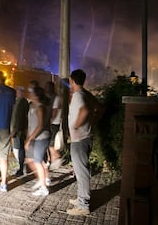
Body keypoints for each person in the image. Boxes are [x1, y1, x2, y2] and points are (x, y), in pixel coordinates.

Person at [66, 69, 101, 216]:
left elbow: (86, 110)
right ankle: (81, 198)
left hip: (79, 139)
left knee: (82, 173)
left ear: (71, 80)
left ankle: (83, 205)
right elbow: (100, 107)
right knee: (81, 171)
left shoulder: (79, 95)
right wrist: (93, 123)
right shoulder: (86, 94)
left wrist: (76, 126)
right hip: (85, 137)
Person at [25, 86, 51, 196]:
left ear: (36, 95)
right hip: (35, 138)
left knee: (37, 161)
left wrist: (29, 139)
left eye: (31, 92)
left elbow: (40, 125)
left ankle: (44, 187)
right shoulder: (32, 106)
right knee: (33, 160)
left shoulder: (40, 107)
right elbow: (30, 125)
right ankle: (43, 180)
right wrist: (28, 138)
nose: (29, 93)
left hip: (41, 138)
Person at [10, 86, 29, 177]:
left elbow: (19, 117)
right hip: (19, 129)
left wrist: (15, 130)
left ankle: (21, 168)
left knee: (18, 148)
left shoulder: (21, 102)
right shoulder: (21, 101)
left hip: (19, 130)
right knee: (19, 148)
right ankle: (21, 167)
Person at [45, 81, 63, 170]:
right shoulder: (51, 97)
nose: (46, 89)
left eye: (48, 87)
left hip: (54, 124)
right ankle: (51, 160)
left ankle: (56, 158)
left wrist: (50, 120)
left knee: (50, 144)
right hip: (52, 123)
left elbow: (55, 111)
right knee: (49, 144)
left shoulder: (56, 98)